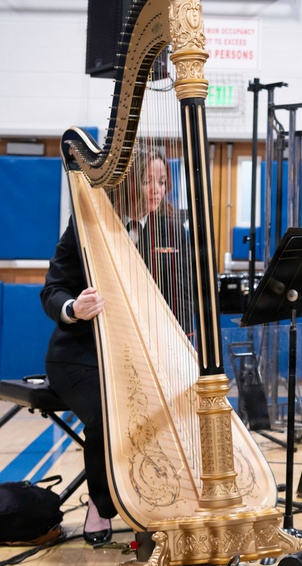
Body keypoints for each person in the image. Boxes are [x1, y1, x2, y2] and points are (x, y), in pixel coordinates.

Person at [41, 147, 190, 545]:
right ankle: (100, 504)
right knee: (110, 412)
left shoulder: (174, 230)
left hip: (146, 355)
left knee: (185, 403)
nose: (157, 190)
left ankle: (164, 495)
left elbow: (187, 298)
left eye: (163, 181)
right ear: (127, 184)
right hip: (79, 355)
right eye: (147, 181)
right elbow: (52, 291)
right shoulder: (89, 226)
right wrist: (75, 308)